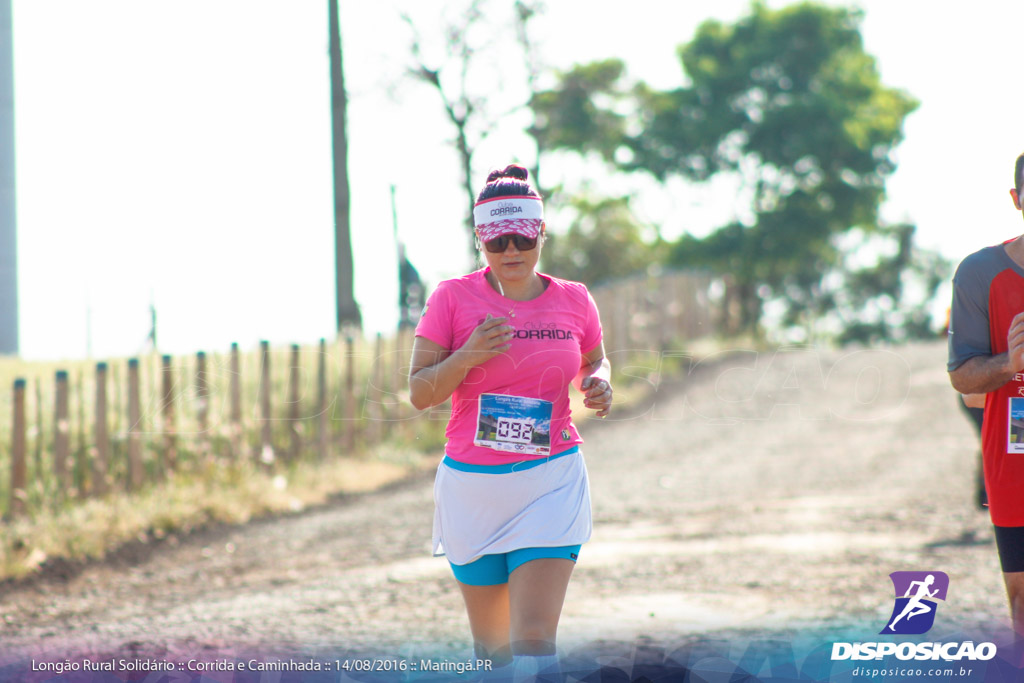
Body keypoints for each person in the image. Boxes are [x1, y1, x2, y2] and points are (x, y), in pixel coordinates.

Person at [408, 164, 612, 680]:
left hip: (551, 482)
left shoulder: (574, 299)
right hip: (473, 492)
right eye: (498, 242)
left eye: (523, 237)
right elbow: (418, 393)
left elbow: (596, 358)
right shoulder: (452, 298)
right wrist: (469, 354)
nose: (512, 252)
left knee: (535, 638)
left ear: (541, 232)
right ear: (481, 241)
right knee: (493, 653)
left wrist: (599, 381)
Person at [948, 150, 1024, 637]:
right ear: (1018, 200)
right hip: (1017, 453)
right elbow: (963, 377)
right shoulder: (980, 273)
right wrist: (1008, 364)